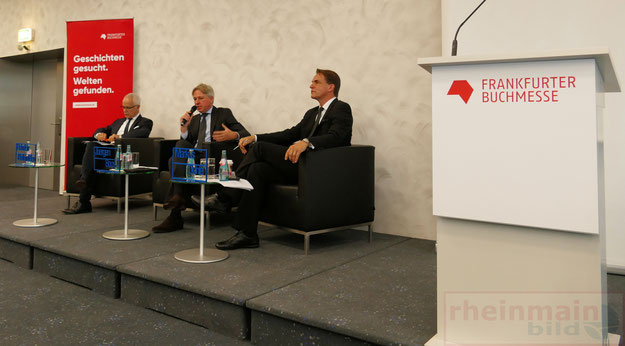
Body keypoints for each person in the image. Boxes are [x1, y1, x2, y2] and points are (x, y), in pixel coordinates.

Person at [212, 69, 352, 250]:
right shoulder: (312, 113)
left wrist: (307, 142)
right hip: (299, 165)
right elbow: (289, 134)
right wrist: (254, 137)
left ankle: (226, 196)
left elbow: (337, 137)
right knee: (257, 170)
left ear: (331, 87)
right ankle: (247, 234)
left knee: (260, 149)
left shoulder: (341, 108)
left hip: (318, 168)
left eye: (316, 82)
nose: (311, 85)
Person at [152, 83, 250, 232]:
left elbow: (245, 133)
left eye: (200, 98)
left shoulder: (223, 113)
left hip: (211, 158)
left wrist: (233, 135)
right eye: (194, 99)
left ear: (211, 99)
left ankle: (175, 212)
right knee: (180, 146)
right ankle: (177, 201)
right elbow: (187, 142)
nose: (196, 102)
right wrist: (184, 129)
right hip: (194, 157)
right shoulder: (195, 120)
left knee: (174, 160)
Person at [63, 93, 153, 214]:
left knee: (92, 158)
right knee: (91, 145)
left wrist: (119, 137)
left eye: (128, 107)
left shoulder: (145, 122)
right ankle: (84, 187)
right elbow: (102, 129)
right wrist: (99, 134)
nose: (125, 110)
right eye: (123, 107)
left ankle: (84, 199)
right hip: (106, 153)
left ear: (137, 107)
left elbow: (141, 133)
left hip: (122, 155)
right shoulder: (118, 122)